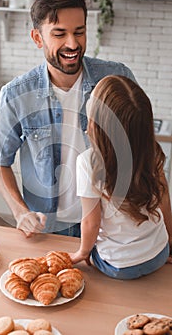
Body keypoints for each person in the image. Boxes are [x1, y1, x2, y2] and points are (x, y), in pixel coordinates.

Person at [0, 0, 136, 238]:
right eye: (60, 34)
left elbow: (143, 149)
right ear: (38, 38)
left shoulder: (116, 78)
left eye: (79, 32)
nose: (72, 44)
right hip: (50, 227)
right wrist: (20, 212)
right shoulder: (16, 95)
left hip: (112, 224)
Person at [70, 75, 172, 279]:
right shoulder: (151, 151)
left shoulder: (88, 162)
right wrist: (170, 242)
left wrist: (82, 252)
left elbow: (91, 222)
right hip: (158, 254)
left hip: (118, 265)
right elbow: (164, 199)